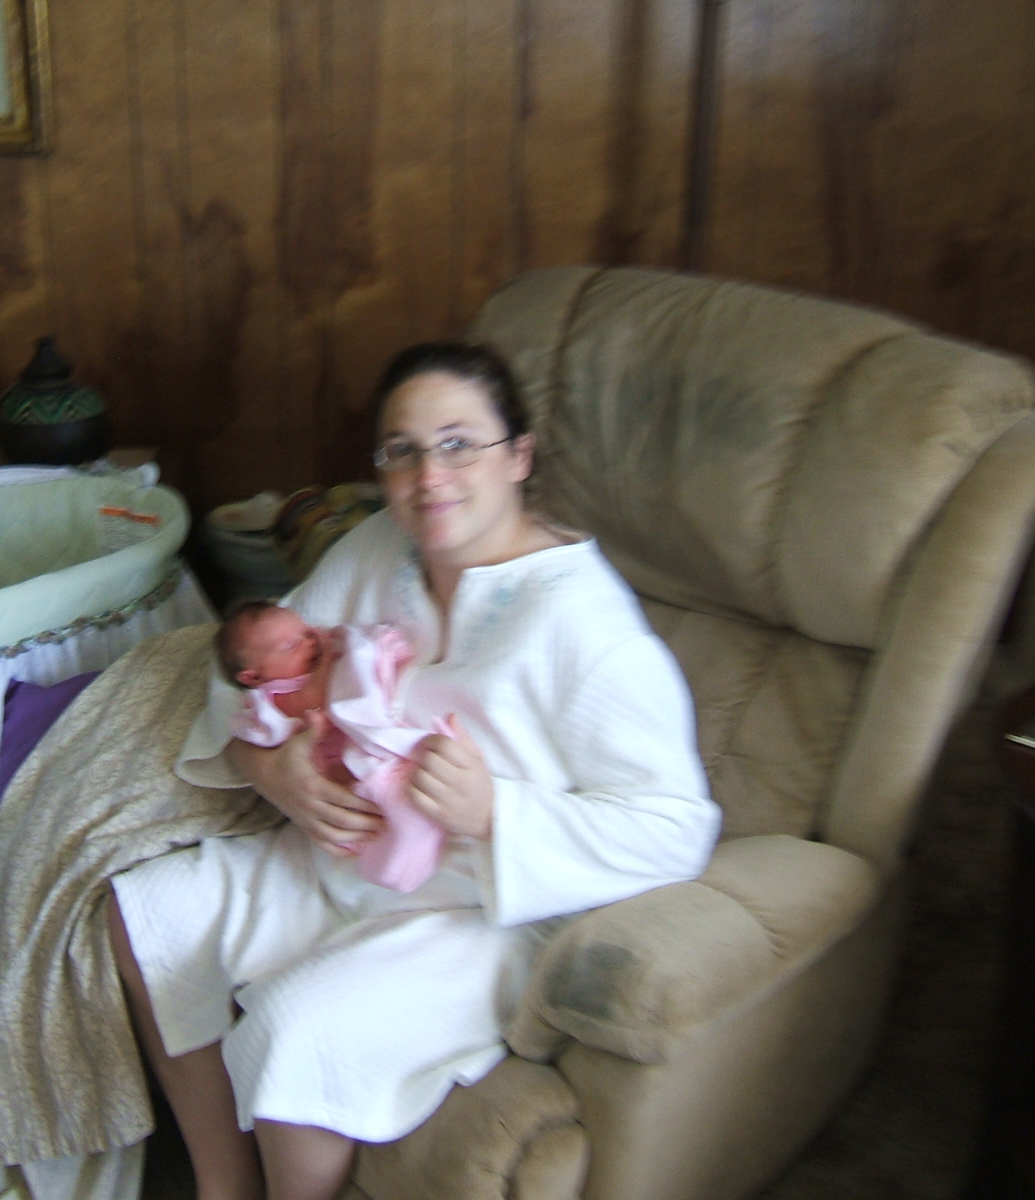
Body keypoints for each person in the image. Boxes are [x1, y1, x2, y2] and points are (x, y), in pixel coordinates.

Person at [106, 341, 720, 1200]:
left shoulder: (587, 625)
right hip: (342, 861)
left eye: (459, 444)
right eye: (403, 450)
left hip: (481, 916)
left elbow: (676, 827)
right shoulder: (377, 548)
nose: (430, 477)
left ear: (519, 456)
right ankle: (223, 1185)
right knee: (147, 918)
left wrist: (496, 811)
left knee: (294, 1032)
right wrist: (272, 768)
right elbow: (246, 667)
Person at [217, 600, 450, 894]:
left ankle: (412, 852)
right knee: (390, 809)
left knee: (403, 798)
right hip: (342, 773)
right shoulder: (276, 697)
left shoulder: (300, 670)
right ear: (253, 677)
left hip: (356, 759)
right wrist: (329, 659)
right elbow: (318, 697)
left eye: (306, 632)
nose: (310, 642)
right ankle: (397, 870)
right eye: (291, 646)